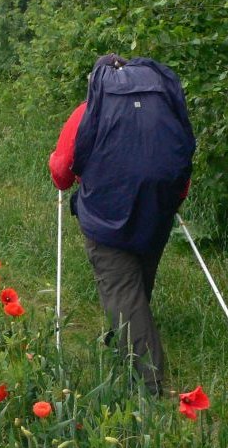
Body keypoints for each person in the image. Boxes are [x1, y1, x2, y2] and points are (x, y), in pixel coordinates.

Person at [49, 53, 196, 396]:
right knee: (137, 283)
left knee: (124, 292)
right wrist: (170, 201)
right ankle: (122, 341)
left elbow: (62, 173)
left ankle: (151, 386)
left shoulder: (86, 112)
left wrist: (54, 164)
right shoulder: (162, 108)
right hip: (157, 210)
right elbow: (180, 158)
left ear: (97, 81)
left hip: (105, 216)